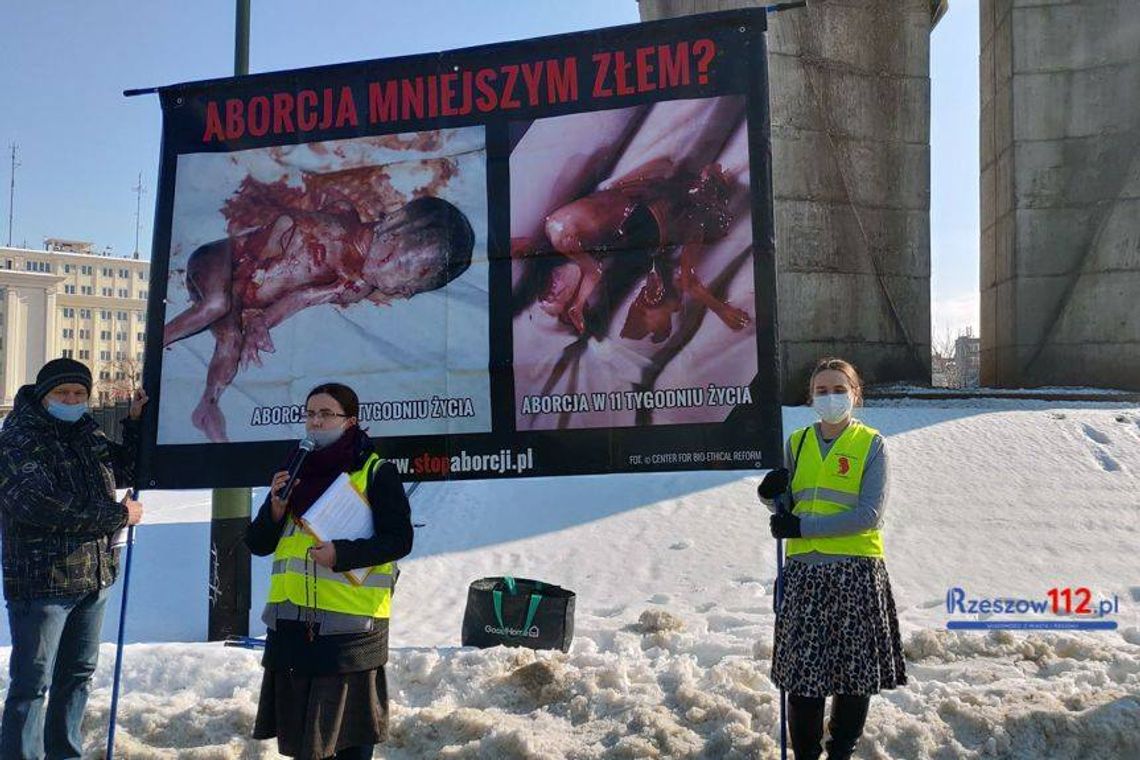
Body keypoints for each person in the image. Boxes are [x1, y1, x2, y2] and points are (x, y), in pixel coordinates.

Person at [162, 194, 475, 443]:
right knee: (215, 304)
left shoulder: (354, 285)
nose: (400, 292)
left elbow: (301, 298)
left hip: (238, 297)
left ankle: (207, 406)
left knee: (230, 343)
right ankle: (157, 340)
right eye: (405, 274)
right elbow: (288, 220)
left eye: (409, 291)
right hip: (219, 260)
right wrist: (269, 246)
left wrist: (261, 323)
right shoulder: (340, 227)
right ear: (391, 229)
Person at [246, 382, 413, 760]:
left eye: (326, 414)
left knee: (348, 743)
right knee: (303, 746)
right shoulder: (293, 470)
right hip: (292, 627)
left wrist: (341, 553)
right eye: (310, 414)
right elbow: (258, 543)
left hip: (349, 632)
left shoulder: (375, 471)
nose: (316, 422)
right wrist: (274, 510)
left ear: (350, 420)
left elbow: (399, 540)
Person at [0, 357, 146, 760]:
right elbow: (37, 505)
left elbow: (126, 468)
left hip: (92, 578)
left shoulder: (86, 431)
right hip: (43, 582)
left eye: (79, 393)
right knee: (32, 683)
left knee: (77, 677)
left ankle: (66, 753)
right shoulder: (18, 439)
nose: (71, 399)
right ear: (43, 395)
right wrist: (117, 515)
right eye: (62, 392)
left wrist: (135, 422)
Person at [761, 357, 907, 760]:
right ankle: (806, 754)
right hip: (805, 575)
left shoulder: (871, 444)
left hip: (856, 574)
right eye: (821, 390)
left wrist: (800, 528)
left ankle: (841, 750)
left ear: (855, 394)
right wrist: (769, 495)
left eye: (839, 389)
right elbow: (787, 508)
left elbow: (868, 515)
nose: (830, 397)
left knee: (853, 675)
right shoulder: (798, 443)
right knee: (804, 678)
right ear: (810, 398)